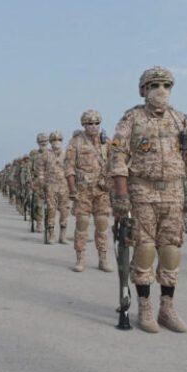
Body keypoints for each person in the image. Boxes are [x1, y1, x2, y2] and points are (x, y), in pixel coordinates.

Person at [109, 66, 187, 333]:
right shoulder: (132, 119)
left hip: (174, 194)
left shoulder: (181, 120)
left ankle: (167, 306)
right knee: (144, 248)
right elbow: (117, 158)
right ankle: (144, 304)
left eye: (166, 85)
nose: (161, 91)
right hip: (142, 192)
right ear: (144, 90)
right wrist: (120, 196)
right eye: (154, 86)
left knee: (171, 249)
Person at [65, 110, 112, 272]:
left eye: (96, 123)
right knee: (82, 224)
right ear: (84, 125)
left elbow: (115, 164)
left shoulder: (107, 142)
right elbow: (69, 167)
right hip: (82, 191)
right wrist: (72, 189)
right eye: (89, 123)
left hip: (102, 191)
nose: (93, 126)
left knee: (102, 224)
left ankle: (103, 258)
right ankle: (80, 258)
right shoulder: (76, 142)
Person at [37, 131, 70, 244]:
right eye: (54, 140)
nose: (57, 143)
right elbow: (40, 171)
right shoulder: (45, 155)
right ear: (50, 142)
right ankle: (51, 235)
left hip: (64, 187)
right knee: (51, 210)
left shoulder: (67, 154)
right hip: (50, 187)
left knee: (64, 211)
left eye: (59, 140)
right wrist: (42, 185)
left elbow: (72, 170)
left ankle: (63, 236)